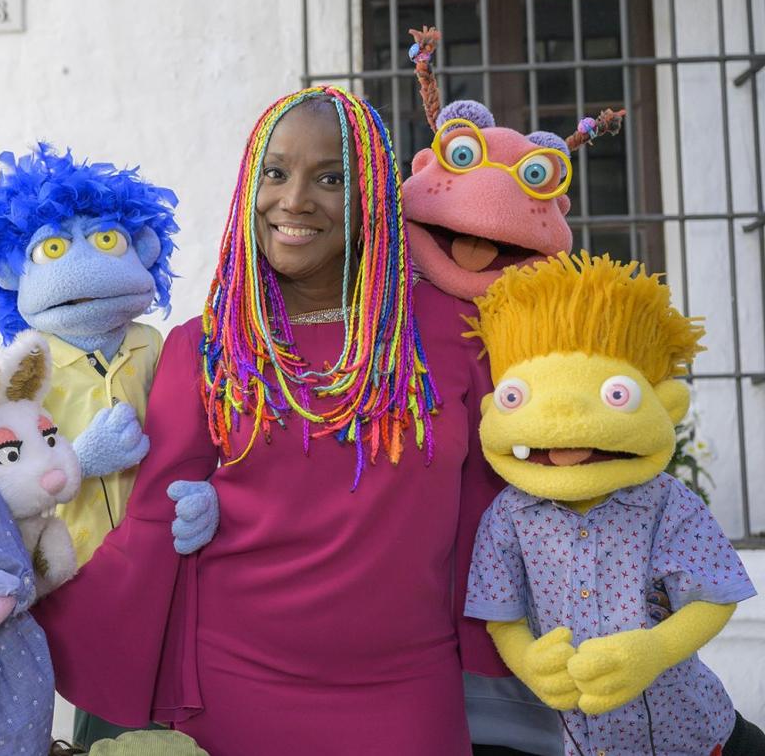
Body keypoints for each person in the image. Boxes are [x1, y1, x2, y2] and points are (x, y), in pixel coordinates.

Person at [32, 86, 512, 755]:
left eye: (331, 179)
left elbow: (494, 503)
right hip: (234, 687)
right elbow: (154, 524)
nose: (294, 200)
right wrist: (7, 613)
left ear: (373, 196)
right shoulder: (207, 346)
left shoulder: (453, 332)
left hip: (408, 686)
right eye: (276, 173)